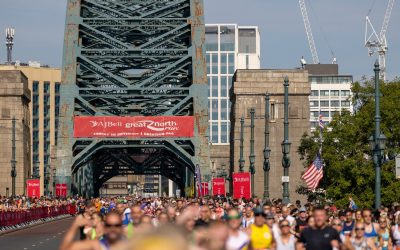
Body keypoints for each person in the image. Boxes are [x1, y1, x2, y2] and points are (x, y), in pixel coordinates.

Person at [60, 211, 125, 250]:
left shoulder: (129, 244)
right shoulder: (97, 244)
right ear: (106, 227)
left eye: (117, 225)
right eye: (109, 225)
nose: (112, 228)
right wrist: (75, 225)